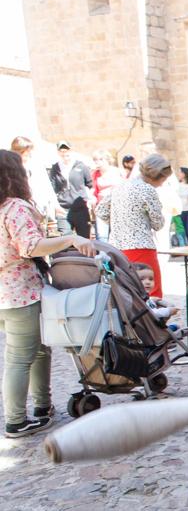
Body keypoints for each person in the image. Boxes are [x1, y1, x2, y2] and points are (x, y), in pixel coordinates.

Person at [0, 149, 97, 438]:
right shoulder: (13, 207)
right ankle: (15, 420)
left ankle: (43, 407)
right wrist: (70, 238)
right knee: (20, 356)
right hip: (21, 292)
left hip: (8, 293)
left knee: (39, 350)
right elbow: (30, 246)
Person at [96, 154, 171, 298]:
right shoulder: (147, 190)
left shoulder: (121, 186)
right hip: (141, 247)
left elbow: (100, 210)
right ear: (157, 176)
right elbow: (158, 223)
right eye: (163, 179)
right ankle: (154, 321)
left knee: (127, 293)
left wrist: (118, 222)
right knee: (150, 292)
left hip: (117, 247)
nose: (162, 183)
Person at [10, 137, 59, 232]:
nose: (29, 154)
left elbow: (46, 185)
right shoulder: (10, 168)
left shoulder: (36, 165)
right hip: (18, 209)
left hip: (37, 208)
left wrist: (54, 204)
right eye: (26, 152)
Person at [48, 141, 93, 237]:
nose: (65, 153)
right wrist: (55, 205)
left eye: (67, 150)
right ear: (58, 152)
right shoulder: (55, 168)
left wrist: (89, 200)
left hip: (80, 207)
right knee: (65, 238)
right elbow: (51, 188)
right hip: (63, 208)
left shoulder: (81, 166)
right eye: (62, 151)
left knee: (84, 238)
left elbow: (90, 185)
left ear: (71, 151)